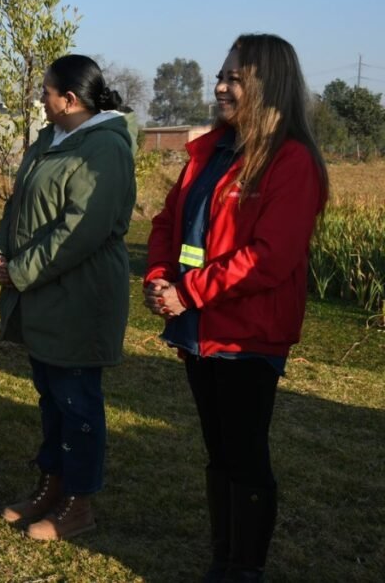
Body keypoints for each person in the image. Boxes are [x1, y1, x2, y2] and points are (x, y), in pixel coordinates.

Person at [144, 34, 328, 582]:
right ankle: (223, 557)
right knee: (218, 451)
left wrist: (190, 291)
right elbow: (165, 223)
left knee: (245, 455)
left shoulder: (291, 162)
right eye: (220, 76)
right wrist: (160, 279)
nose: (220, 87)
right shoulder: (210, 152)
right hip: (198, 328)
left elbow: (270, 257)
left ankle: (243, 567)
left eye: (235, 79)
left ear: (268, 86)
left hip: (247, 336)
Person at [0, 54, 135, 541]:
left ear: (69, 99)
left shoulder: (105, 148)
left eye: (47, 92)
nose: (41, 100)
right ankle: (50, 485)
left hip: (79, 294)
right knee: (51, 397)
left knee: (77, 402)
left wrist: (22, 270)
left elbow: (81, 229)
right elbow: (18, 202)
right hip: (43, 294)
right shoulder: (50, 139)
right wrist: (0, 250)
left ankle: (79, 500)